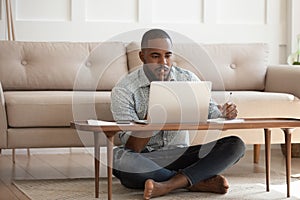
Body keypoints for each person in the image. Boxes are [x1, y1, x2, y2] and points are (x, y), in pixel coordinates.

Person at [111, 28, 246, 199]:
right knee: (121, 159)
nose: (164, 62)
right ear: (142, 57)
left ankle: (168, 184)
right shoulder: (124, 90)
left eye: (167, 55)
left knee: (236, 144)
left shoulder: (187, 79)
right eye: (155, 56)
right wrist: (152, 118)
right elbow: (132, 147)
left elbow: (211, 111)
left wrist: (224, 111)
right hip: (147, 157)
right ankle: (194, 181)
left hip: (181, 154)